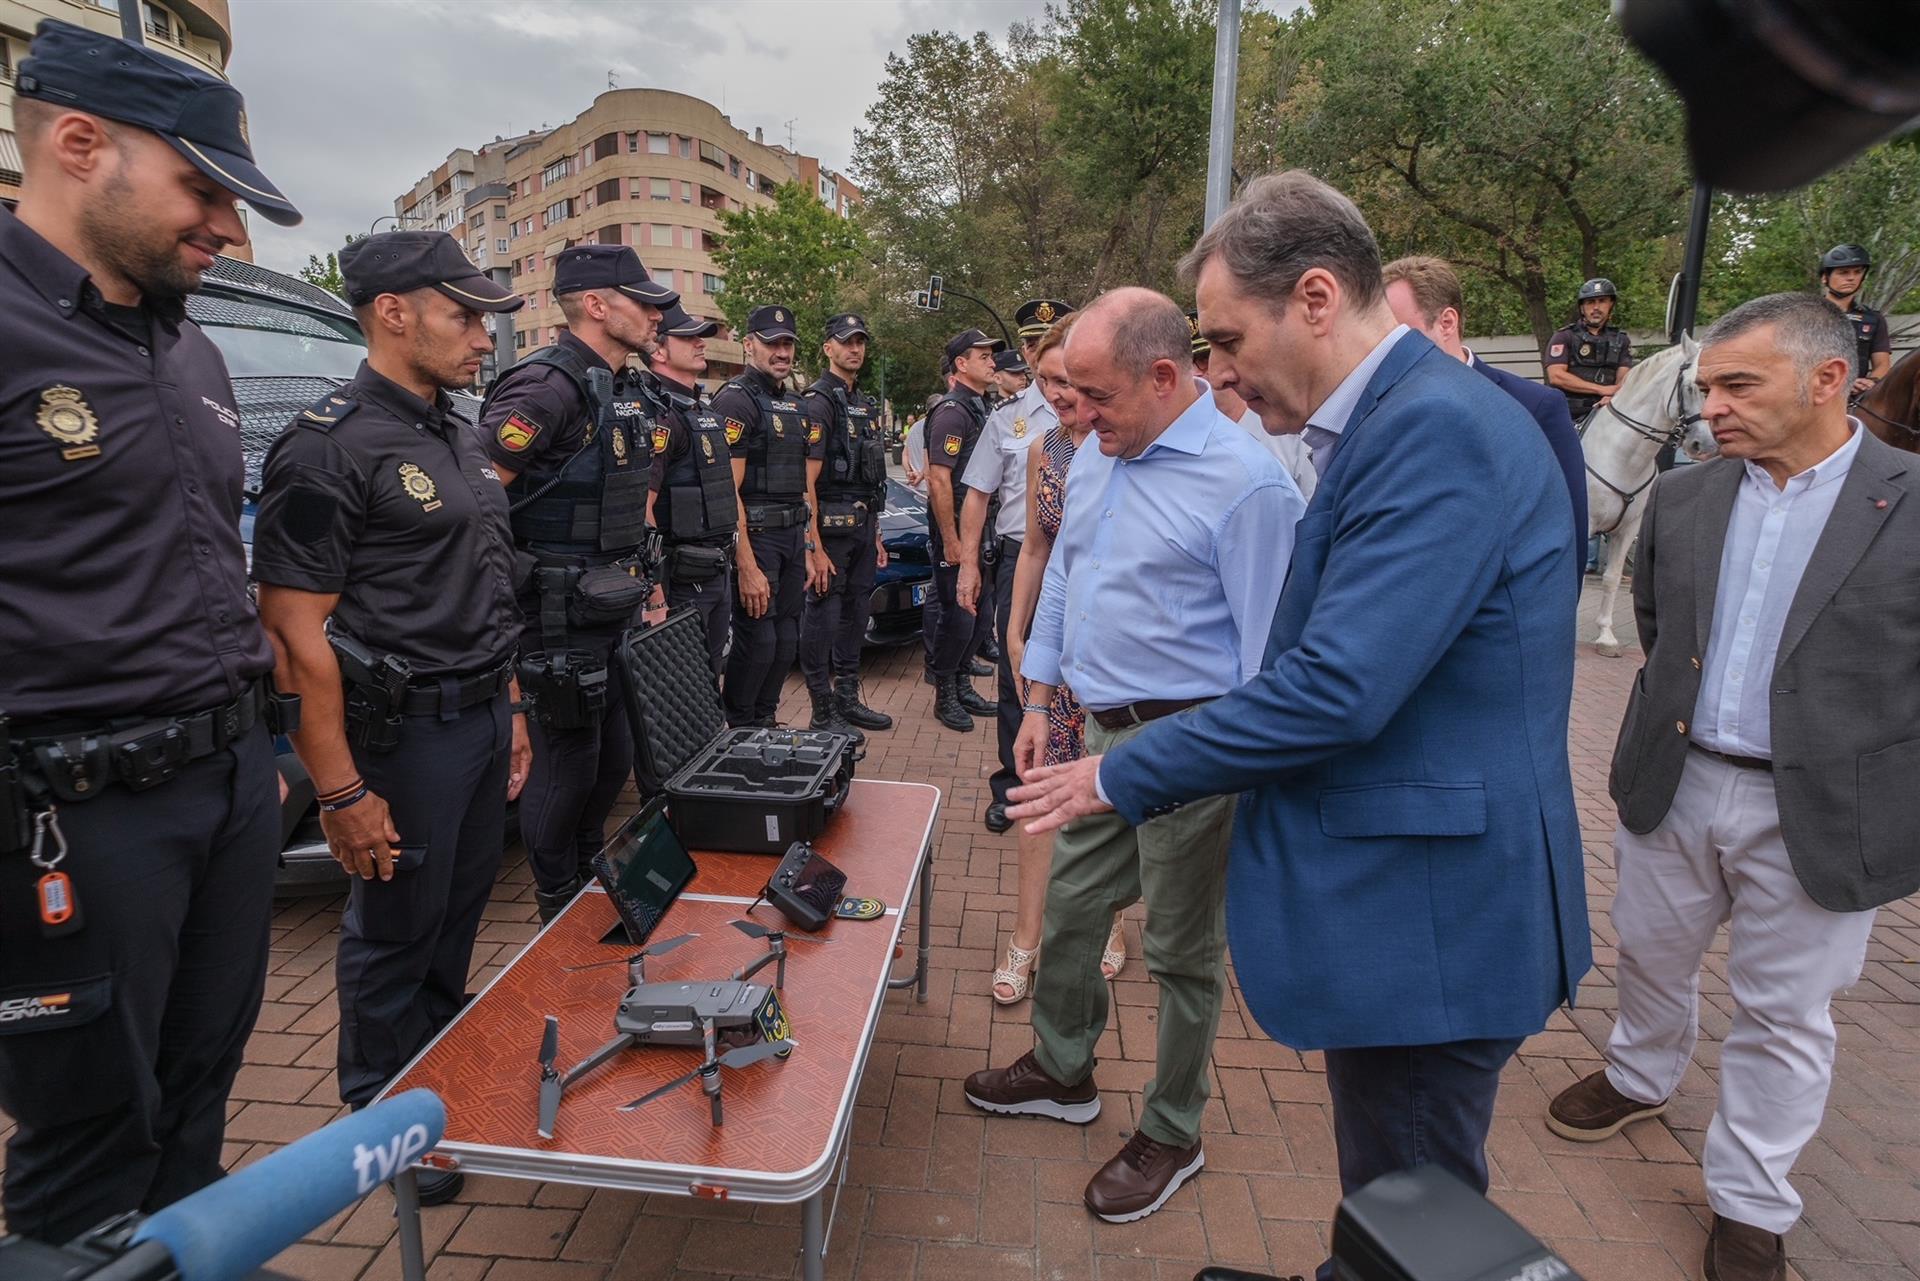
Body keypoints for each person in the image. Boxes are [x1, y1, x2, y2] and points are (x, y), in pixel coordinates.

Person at [1006, 173, 1587, 1277]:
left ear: (1315, 298)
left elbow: (1334, 686)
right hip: (1418, 899)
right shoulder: (1398, 422)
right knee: (1396, 1197)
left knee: (1413, 1203)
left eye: (1225, 339)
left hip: (1431, 918)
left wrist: (1120, 776)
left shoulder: (1431, 432)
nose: (1217, 370)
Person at [1544, 292, 1920, 1281]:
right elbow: (1660, 629)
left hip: (1823, 816)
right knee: (1653, 953)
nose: (1712, 407)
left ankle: (1753, 1201)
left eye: (1737, 384)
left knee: (1787, 1015)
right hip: (1677, 782)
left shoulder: (1911, 500)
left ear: (1827, 379)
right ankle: (1639, 1072)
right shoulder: (1684, 498)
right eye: (1707, 386)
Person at [0, 19, 301, 1244]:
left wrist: (266, 763)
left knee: (195, 1103)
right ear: (81, 145)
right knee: (87, 1139)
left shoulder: (195, 353)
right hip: (73, 814)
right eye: (204, 190)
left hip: (227, 788)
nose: (227, 231)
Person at [964, 288, 1303, 1224]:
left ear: (1164, 376)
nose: (1077, 413)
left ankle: (1173, 1126)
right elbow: (1069, 569)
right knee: (1070, 905)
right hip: (1097, 734)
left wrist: (1223, 766)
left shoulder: (1248, 484)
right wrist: (1040, 694)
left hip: (1193, 743)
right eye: (1068, 392)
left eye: (1095, 395)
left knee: (1181, 951)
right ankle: (1064, 1069)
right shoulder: (1102, 453)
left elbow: (1267, 659)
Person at [252, 232, 529, 1205]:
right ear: (393, 311)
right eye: (464, 314)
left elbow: (486, 586)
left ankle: (438, 1084)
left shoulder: (459, 433)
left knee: (455, 918)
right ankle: (383, 1121)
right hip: (401, 738)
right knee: (394, 930)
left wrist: (513, 710)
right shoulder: (328, 445)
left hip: (480, 719)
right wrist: (339, 790)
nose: (484, 336)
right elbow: (293, 636)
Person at [479, 243, 673, 922]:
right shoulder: (544, 387)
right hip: (554, 620)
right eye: (643, 302)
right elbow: (477, 510)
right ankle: (556, 897)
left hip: (611, 610)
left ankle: (594, 879)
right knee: (566, 768)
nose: (657, 315)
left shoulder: (624, 385)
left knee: (612, 759)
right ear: (596, 306)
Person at [988, 312, 1130, 1002]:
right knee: (1038, 788)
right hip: (1052, 654)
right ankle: (1025, 934)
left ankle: (1102, 919)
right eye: (1046, 379)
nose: (1058, 393)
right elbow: (1036, 551)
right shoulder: (1046, 447)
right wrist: (1015, 634)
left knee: (1099, 792)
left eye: (1069, 380)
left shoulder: (1124, 444)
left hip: (1107, 654)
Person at [1383, 255, 1588, 579]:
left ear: (1447, 322)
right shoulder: (1378, 410)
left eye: (1396, 334)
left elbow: (1568, 538)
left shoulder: (1535, 407)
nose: (1384, 348)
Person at [957, 298, 1077, 833]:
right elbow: (978, 493)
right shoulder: (1011, 417)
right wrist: (966, 565)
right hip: (1019, 558)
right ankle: (1016, 784)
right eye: (1032, 343)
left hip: (1075, 563)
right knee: (1016, 673)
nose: (1036, 351)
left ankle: (1071, 776)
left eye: (1048, 340)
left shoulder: (1101, 413)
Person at [713, 306, 822, 727]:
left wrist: (809, 547)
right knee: (759, 640)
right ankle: (740, 725)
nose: (781, 351)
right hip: (756, 539)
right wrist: (745, 565)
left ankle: (765, 719)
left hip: (792, 538)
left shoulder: (795, 403)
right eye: (771, 342)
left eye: (788, 343)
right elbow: (727, 490)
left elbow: (801, 485)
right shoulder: (736, 400)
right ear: (748, 344)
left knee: (785, 640)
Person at [797, 313, 893, 736]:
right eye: (846, 342)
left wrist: (876, 533)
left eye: (860, 342)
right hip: (830, 531)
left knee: (856, 611)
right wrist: (812, 543)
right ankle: (821, 707)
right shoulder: (818, 402)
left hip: (862, 526)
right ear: (828, 348)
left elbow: (870, 478)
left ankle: (848, 697)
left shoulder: (864, 403)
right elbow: (806, 481)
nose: (855, 349)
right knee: (823, 612)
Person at [644, 303, 736, 676]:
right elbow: (641, 507)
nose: (701, 343)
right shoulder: (659, 415)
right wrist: (654, 593)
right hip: (679, 580)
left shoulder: (703, 412)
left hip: (715, 569)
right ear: (659, 350)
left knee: (710, 674)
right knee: (680, 684)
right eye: (688, 337)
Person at [923, 329, 1001, 731]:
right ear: (961, 364)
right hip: (956, 528)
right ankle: (945, 692)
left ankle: (961, 681)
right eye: (982, 355)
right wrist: (951, 540)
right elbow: (939, 479)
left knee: (981, 612)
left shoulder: (981, 407)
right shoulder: (953, 411)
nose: (992, 361)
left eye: (992, 355)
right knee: (958, 616)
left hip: (984, 527)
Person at [1189, 308, 1316, 503]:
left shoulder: (1283, 427)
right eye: (1189, 363)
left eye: (1203, 360)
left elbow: (1313, 500)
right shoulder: (1192, 441)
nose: (1197, 373)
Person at [1545, 277, 1635, 421]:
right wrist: (1601, 389)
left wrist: (1614, 396)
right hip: (1566, 414)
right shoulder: (1564, 336)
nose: (1596, 307)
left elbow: (1624, 378)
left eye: (1602, 301)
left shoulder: (1621, 340)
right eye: (1590, 302)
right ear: (1582, 307)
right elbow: (1556, 376)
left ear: (1611, 304)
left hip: (1607, 411)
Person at [1816, 243, 1892, 395]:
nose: (1851, 278)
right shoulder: (1807, 314)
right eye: (1843, 272)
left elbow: (1883, 364)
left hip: (1858, 398)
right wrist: (1841, 385)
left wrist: (1871, 381)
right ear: (1825, 277)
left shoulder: (1873, 319)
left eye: (1857, 272)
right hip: (1817, 395)